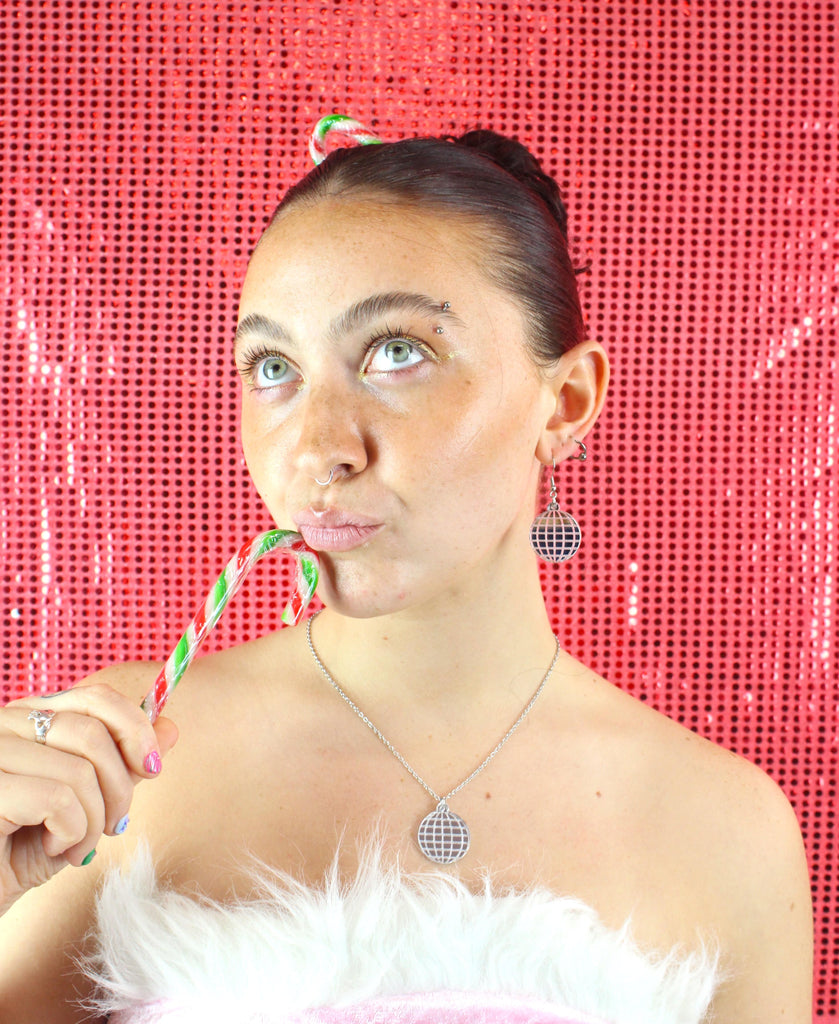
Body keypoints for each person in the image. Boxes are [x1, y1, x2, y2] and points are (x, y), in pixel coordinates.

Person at [0, 119, 813, 1023]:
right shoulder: (113, 769)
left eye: (398, 352)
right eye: (273, 366)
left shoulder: (730, 835)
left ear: (566, 400)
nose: (314, 448)